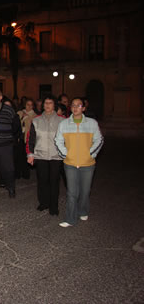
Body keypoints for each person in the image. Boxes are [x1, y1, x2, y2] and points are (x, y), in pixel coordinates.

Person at [55, 97, 104, 227]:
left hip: (87, 164)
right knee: (72, 192)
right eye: (73, 105)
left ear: (83, 108)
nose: (75, 108)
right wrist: (66, 154)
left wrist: (90, 154)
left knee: (85, 191)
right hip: (70, 164)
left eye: (78, 105)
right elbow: (58, 140)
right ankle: (70, 218)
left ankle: (83, 210)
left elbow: (99, 140)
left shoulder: (92, 123)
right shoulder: (64, 124)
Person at [26, 96, 65, 215]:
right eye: (45, 103)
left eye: (50, 103)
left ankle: (54, 206)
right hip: (41, 155)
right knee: (42, 181)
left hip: (56, 156)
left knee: (54, 182)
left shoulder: (62, 120)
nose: (48, 105)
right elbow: (31, 138)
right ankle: (43, 202)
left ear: (54, 105)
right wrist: (30, 154)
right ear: (42, 105)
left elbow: (67, 139)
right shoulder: (36, 120)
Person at [17, 99, 36, 179]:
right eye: (28, 104)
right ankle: (18, 173)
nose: (29, 106)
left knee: (26, 156)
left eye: (31, 105)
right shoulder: (19, 113)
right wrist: (22, 118)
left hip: (27, 138)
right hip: (19, 136)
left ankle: (25, 174)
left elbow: (32, 126)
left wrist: (27, 118)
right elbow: (16, 124)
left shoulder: (34, 115)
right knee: (18, 156)